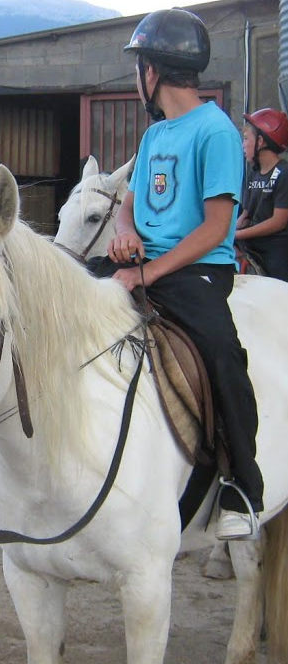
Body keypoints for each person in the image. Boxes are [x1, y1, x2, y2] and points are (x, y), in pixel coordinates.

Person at [92, 8, 262, 540]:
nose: (136, 75)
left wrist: (149, 272)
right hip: (144, 263)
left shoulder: (215, 131)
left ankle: (242, 487)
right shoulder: (154, 137)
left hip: (198, 271)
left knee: (223, 356)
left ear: (155, 71)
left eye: (138, 65)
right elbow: (129, 207)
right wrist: (126, 234)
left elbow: (216, 229)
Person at [234, 108, 288, 281]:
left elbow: (278, 222)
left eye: (246, 139)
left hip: (276, 249)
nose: (243, 145)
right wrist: (230, 230)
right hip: (254, 244)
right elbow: (247, 214)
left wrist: (239, 235)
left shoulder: (283, 173)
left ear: (261, 141)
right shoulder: (254, 172)